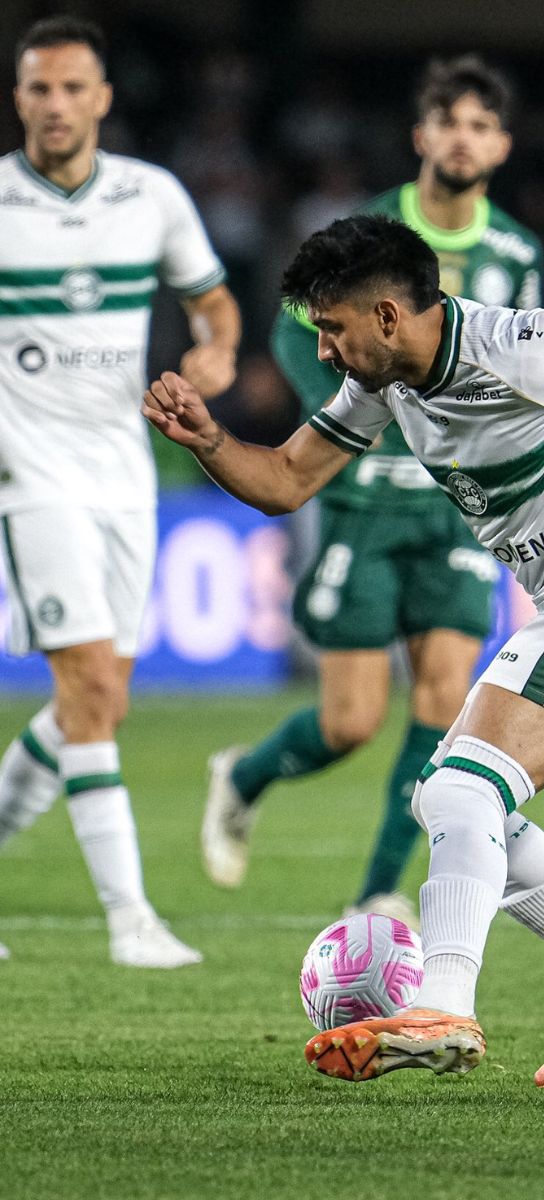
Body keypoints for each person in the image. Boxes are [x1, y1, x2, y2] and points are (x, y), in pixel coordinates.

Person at [145, 213, 544, 1085]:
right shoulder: (385, 385)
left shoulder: (525, 346)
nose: (324, 352)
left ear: (386, 318)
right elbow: (287, 480)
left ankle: (446, 1003)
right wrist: (210, 441)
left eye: (332, 329)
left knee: (459, 787)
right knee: (460, 802)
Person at [202, 56, 541, 926]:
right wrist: (341, 423)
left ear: (499, 145)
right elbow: (290, 335)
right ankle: (241, 775)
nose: (462, 138)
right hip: (368, 503)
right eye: (448, 122)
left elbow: (524, 366)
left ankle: (377, 896)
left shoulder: (516, 255)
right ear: (422, 135)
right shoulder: (370, 234)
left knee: (441, 706)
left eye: (480, 125)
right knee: (350, 720)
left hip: (458, 509)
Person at [0, 18, 240, 968]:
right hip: (29, 474)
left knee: (97, 702)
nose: (54, 105)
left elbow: (211, 303)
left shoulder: (154, 197)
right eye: (37, 90)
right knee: (90, 687)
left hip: (124, 476)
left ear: (101, 98)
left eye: (71, 89)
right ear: (19, 98)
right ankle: (130, 919)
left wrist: (215, 353)